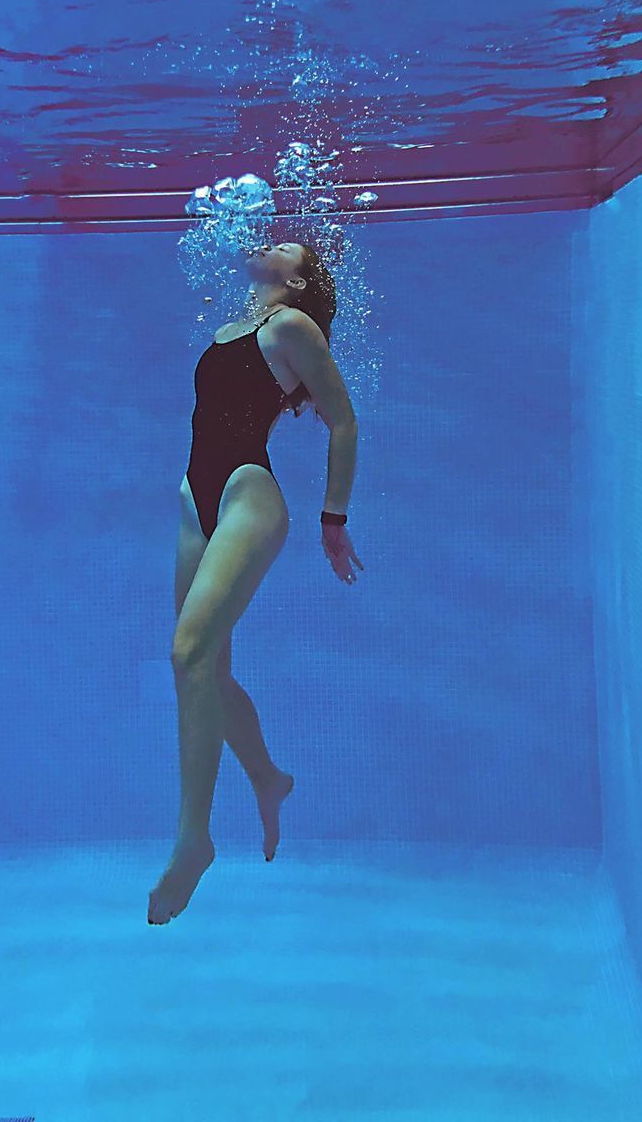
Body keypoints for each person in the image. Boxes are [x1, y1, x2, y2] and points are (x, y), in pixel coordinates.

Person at [148, 241, 363, 925]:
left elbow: (344, 419)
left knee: (187, 655)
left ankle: (193, 840)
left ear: (297, 280)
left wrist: (334, 519)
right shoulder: (230, 327)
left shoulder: (290, 327)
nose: (266, 242)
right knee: (204, 669)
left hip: (248, 494)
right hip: (196, 498)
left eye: (284, 247)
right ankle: (269, 780)